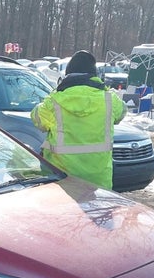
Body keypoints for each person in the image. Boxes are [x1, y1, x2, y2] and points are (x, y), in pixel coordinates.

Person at [31, 50, 126, 189]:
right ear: (94, 75)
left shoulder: (54, 102)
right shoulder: (109, 100)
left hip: (62, 181)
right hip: (99, 182)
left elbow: (37, 119)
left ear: (67, 75)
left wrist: (56, 92)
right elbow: (122, 112)